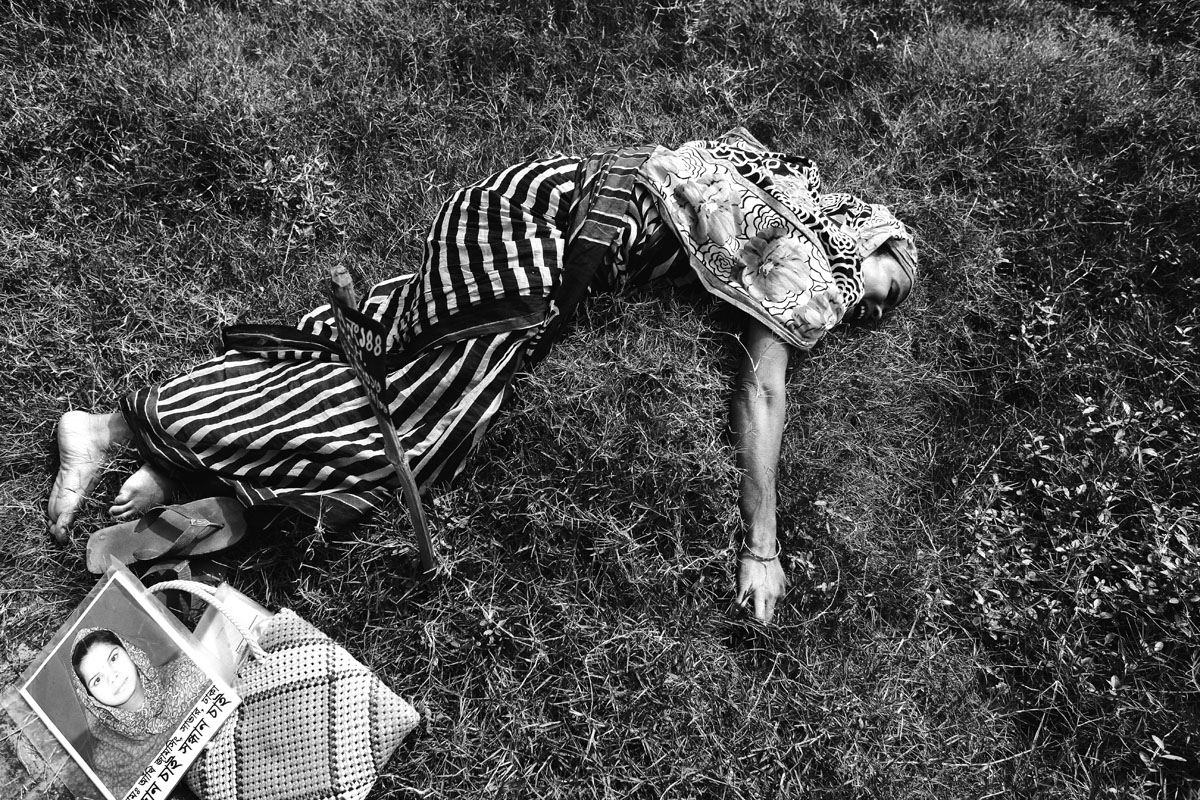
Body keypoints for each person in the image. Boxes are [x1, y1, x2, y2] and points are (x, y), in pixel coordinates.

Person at [46, 129, 917, 623]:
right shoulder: (808, 265)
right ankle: (206, 468)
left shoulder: (775, 174)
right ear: (863, 238)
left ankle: (145, 444)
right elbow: (763, 389)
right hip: (531, 260)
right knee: (426, 433)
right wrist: (761, 546)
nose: (870, 309)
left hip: (514, 202)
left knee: (388, 335)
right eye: (887, 284)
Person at [70, 628, 209, 796]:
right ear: (89, 697)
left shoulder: (185, 674)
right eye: (97, 680)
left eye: (113, 658)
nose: (112, 676)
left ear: (131, 652)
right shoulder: (109, 761)